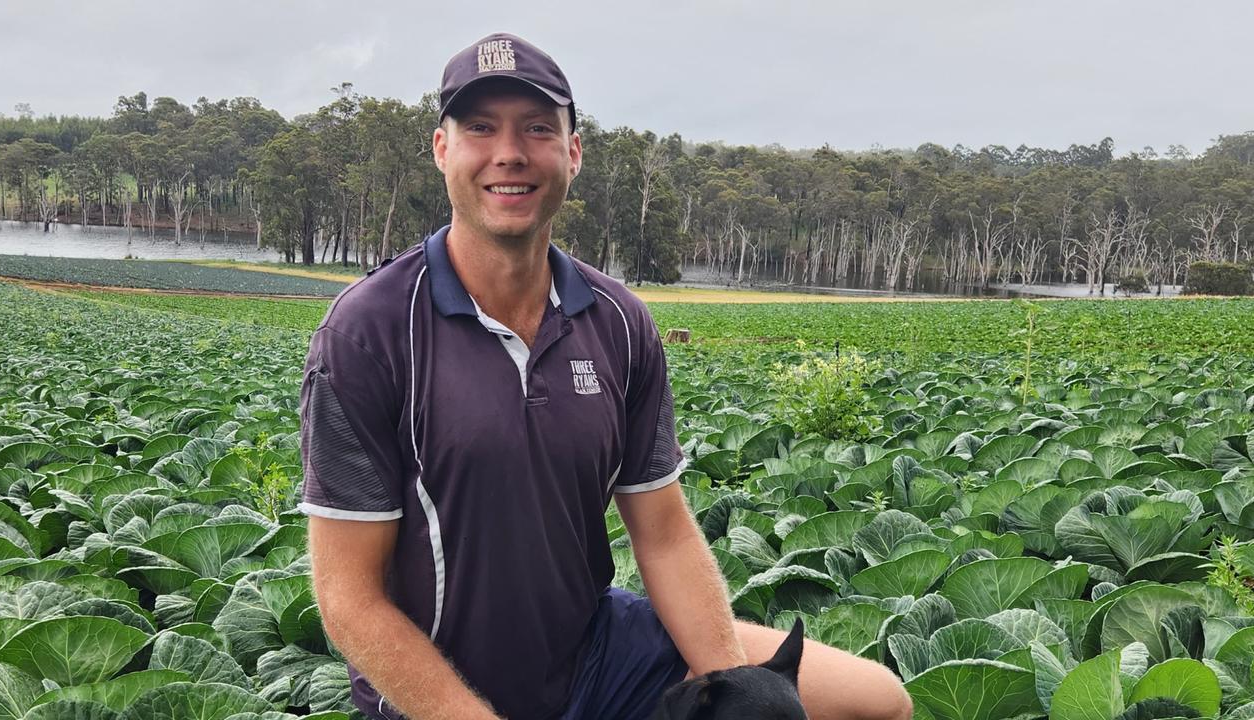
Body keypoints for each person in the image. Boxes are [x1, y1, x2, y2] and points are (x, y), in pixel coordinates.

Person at [298, 32, 913, 720]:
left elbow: (662, 531)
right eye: (480, 128)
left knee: (872, 703)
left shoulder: (617, 320)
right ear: (442, 149)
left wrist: (730, 687)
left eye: (537, 128)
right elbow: (348, 596)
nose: (509, 153)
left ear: (572, 152)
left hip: (594, 653)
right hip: (438, 686)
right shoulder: (369, 331)